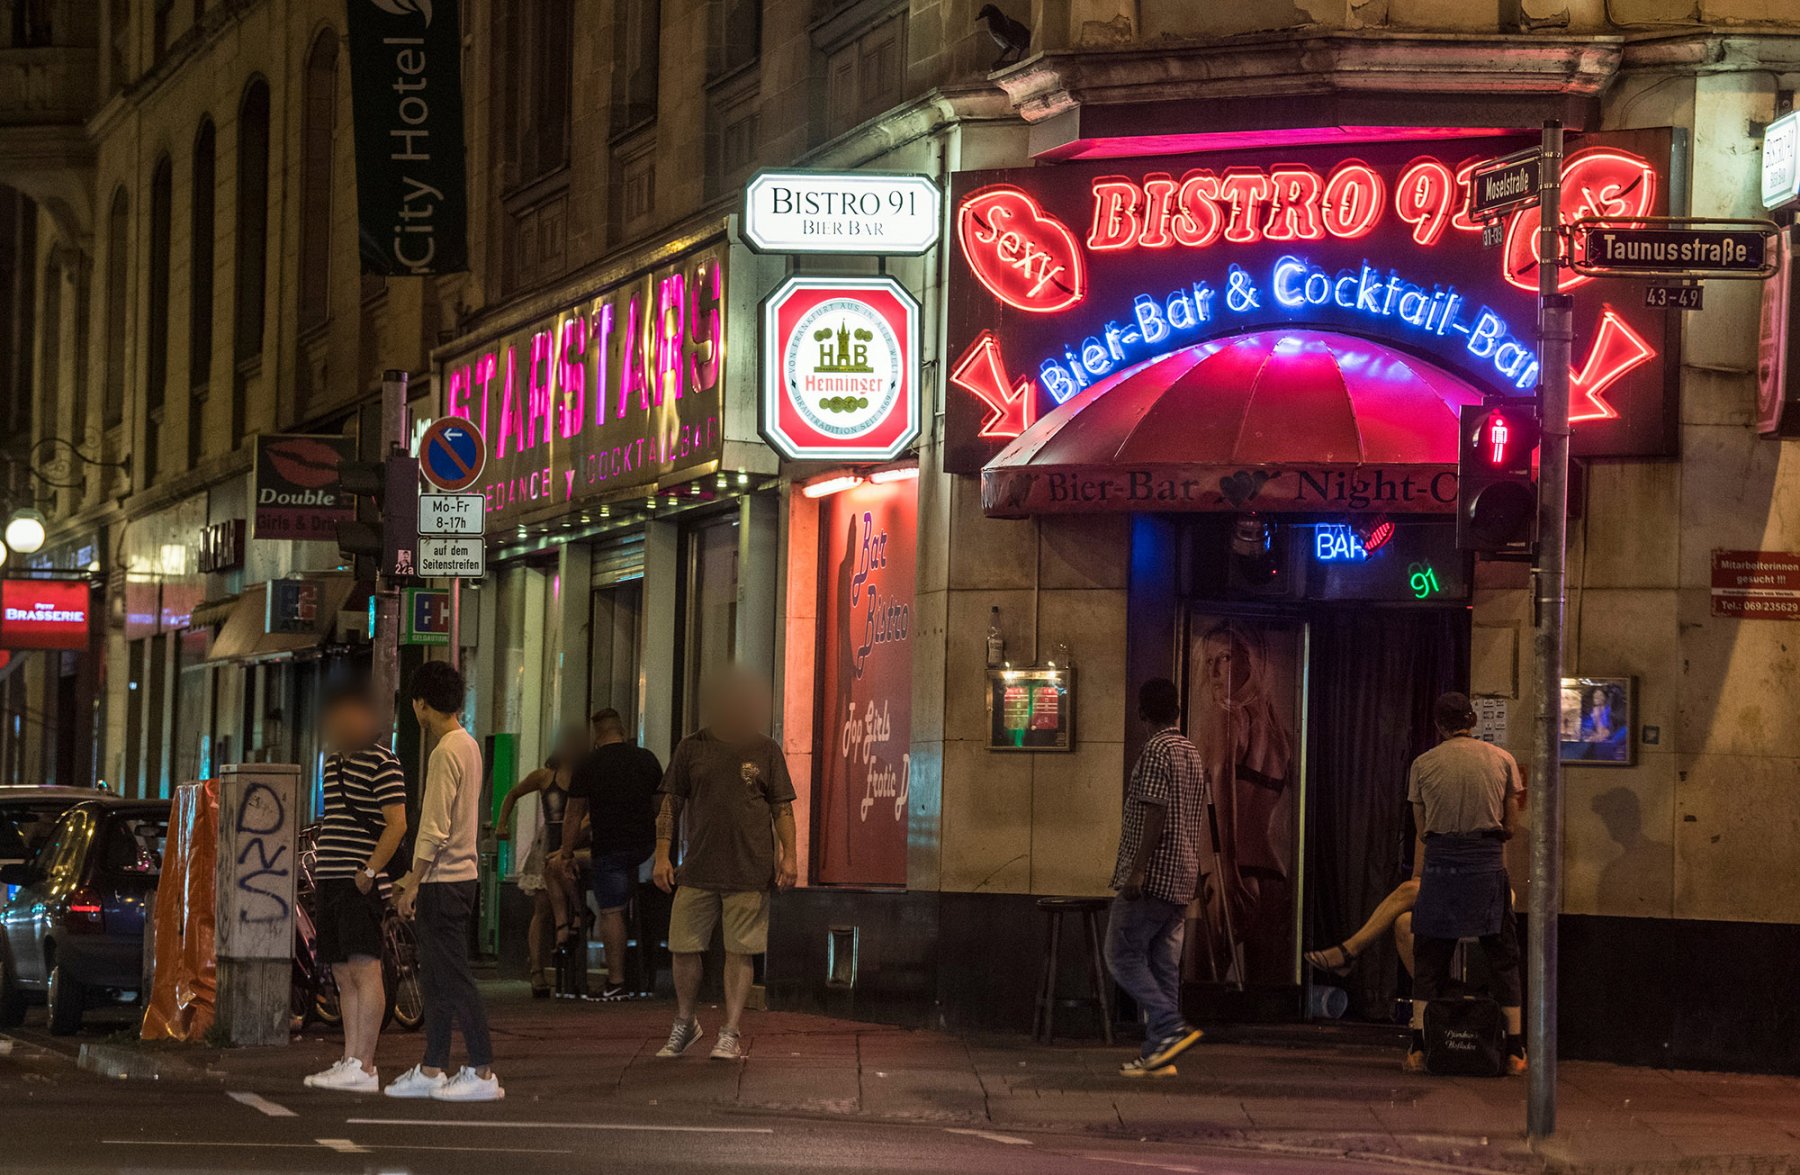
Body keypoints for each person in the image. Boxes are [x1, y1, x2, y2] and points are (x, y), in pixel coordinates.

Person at [652, 669, 797, 1061]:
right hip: (697, 867)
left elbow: (782, 807)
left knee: (740, 950)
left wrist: (790, 855)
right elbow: (670, 805)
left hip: (750, 868)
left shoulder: (766, 750)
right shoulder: (691, 748)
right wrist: (662, 855)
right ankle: (685, 1022)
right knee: (683, 946)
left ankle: (730, 1032)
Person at [386, 661, 504, 1102]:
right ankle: (432, 1066)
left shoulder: (444, 753)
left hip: (443, 880)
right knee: (436, 978)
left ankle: (482, 1069)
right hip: (461, 876)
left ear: (420, 704)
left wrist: (412, 882)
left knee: (453, 978)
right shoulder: (468, 745)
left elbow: (434, 828)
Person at [1405, 691, 1526, 1076]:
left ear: (1438, 725)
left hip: (1441, 871)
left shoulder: (1422, 764)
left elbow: (1422, 830)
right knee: (1502, 958)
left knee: (1429, 960)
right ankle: (1515, 1051)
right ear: (1472, 721)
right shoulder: (1503, 760)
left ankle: (1418, 1049)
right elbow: (1511, 825)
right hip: (1486, 869)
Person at [303, 682, 408, 1094]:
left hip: (359, 881)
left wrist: (370, 870)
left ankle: (366, 1064)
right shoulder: (333, 764)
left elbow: (397, 824)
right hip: (330, 876)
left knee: (365, 967)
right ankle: (350, 1059)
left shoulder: (384, 762)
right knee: (342, 972)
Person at [1106, 678, 1208, 1079]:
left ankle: (1168, 1025)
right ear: (1177, 710)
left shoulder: (1155, 750)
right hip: (1183, 874)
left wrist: (1138, 869)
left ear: (1142, 713)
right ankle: (1158, 1054)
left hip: (1154, 876)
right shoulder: (1191, 751)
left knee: (1121, 953)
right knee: (1164, 964)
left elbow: (1155, 810)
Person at [559, 708, 662, 1001]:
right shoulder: (646, 759)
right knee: (627, 902)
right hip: (646, 849)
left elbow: (573, 814)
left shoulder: (588, 764)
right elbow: (661, 806)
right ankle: (644, 974)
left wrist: (566, 853)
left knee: (611, 911)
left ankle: (616, 980)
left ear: (597, 735)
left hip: (610, 848)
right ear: (622, 729)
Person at [494, 728, 585, 997]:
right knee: (541, 908)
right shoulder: (546, 776)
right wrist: (501, 823)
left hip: (573, 841)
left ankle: (567, 936)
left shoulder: (584, 776)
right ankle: (537, 969)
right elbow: (513, 793)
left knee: (559, 895)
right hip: (550, 840)